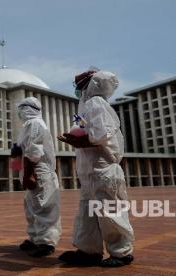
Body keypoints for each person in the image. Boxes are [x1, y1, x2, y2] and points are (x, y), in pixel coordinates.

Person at [58, 69, 135, 267]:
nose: (76, 88)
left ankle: (121, 253)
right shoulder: (83, 107)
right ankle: (88, 251)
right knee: (87, 213)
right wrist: (74, 138)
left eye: (78, 84)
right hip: (90, 171)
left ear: (88, 85)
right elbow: (82, 131)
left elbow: (99, 136)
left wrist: (76, 141)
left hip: (102, 169)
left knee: (110, 212)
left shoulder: (95, 103)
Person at [12, 97, 62, 257]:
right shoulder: (26, 126)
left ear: (29, 109)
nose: (19, 112)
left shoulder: (35, 124)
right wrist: (18, 171)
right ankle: (35, 238)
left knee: (44, 207)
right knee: (31, 208)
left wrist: (28, 175)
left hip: (38, 170)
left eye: (22, 108)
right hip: (30, 170)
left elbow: (33, 153)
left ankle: (47, 242)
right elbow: (20, 152)